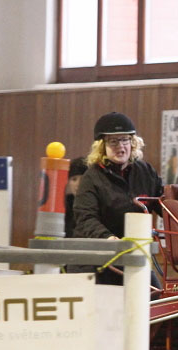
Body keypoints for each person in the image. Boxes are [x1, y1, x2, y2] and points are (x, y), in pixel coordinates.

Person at [72, 112, 163, 284]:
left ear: (133, 142)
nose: (120, 146)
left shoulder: (146, 172)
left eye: (124, 140)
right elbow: (85, 218)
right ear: (102, 146)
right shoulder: (91, 178)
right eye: (113, 141)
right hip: (96, 262)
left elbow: (163, 203)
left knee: (155, 297)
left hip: (133, 255)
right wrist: (108, 238)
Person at [63, 156, 87, 238]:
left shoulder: (97, 205)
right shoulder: (64, 205)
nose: (78, 184)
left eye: (82, 179)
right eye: (74, 179)